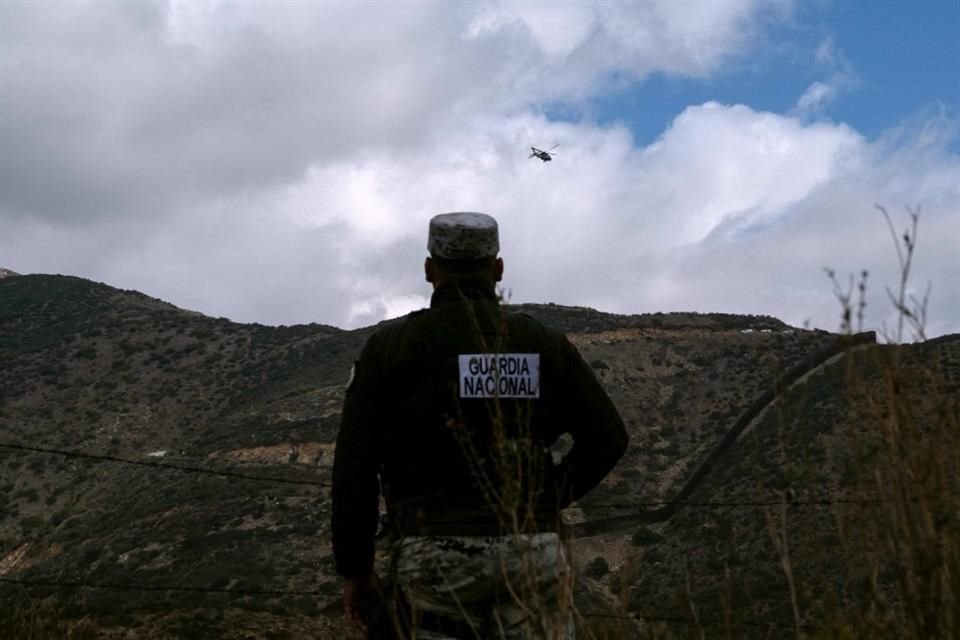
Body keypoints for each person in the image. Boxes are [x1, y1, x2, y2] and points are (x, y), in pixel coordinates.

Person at [332, 212, 628, 639]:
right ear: (498, 269)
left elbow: (354, 469)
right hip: (532, 550)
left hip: (433, 554)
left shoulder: (392, 348)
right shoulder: (542, 344)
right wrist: (545, 499)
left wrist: (355, 568)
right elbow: (608, 437)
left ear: (430, 269)